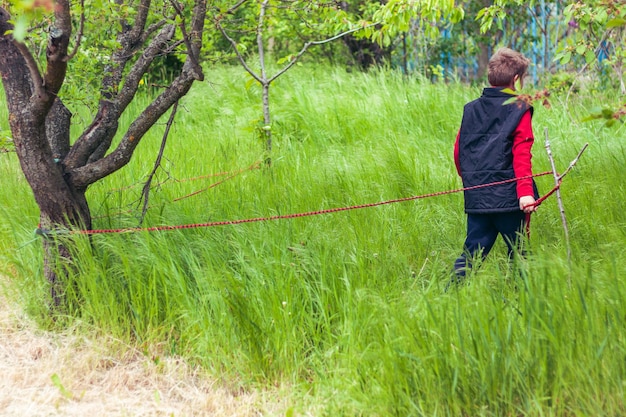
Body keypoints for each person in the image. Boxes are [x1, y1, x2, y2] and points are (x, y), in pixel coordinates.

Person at [450, 47, 539, 286]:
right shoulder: (520, 107)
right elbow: (522, 153)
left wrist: (472, 183)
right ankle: (526, 299)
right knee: (519, 254)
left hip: (478, 196)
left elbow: (459, 152)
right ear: (516, 79)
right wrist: (526, 193)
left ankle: (449, 296)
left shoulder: (471, 109)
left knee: (471, 254)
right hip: (510, 200)